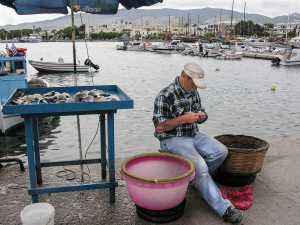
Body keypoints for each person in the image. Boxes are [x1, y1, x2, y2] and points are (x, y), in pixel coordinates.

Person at [152, 62, 243, 224]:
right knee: (200, 167)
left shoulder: (193, 91)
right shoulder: (165, 95)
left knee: (221, 151)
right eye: (194, 84)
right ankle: (225, 209)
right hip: (172, 138)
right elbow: (160, 127)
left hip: (193, 134)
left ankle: (197, 180)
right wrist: (183, 119)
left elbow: (202, 112)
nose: (195, 88)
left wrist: (202, 116)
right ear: (184, 77)